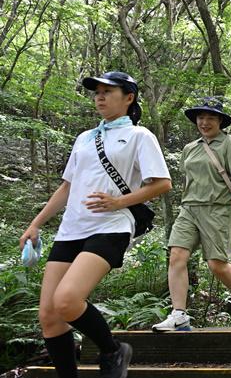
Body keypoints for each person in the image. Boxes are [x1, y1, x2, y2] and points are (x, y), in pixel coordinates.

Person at [19, 71, 172, 378]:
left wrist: (118, 202)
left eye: (107, 91)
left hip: (111, 226)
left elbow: (162, 183)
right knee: (49, 315)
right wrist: (35, 224)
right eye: (96, 92)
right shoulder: (84, 138)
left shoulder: (140, 136)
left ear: (129, 98)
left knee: (67, 300)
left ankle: (113, 351)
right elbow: (66, 187)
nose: (99, 97)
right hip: (71, 229)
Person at [153, 98, 231, 332]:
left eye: (210, 118)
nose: (205, 122)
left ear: (220, 121)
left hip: (217, 207)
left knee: (217, 264)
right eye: (201, 118)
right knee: (176, 255)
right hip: (189, 207)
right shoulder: (191, 147)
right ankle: (179, 314)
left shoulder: (229, 142)